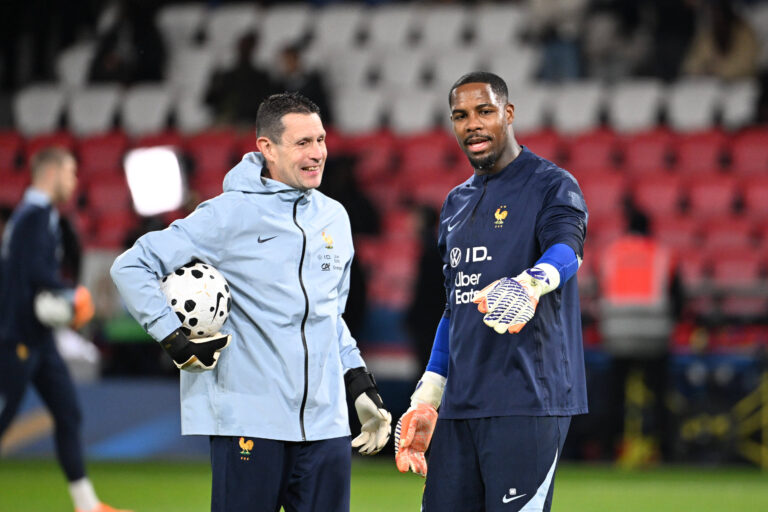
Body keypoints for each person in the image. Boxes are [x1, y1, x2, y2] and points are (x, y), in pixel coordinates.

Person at [110, 92, 391, 512]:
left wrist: (359, 384)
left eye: (321, 140)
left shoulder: (335, 217)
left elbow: (331, 316)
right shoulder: (226, 215)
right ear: (267, 148)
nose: (317, 154)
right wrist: (174, 340)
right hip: (250, 421)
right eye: (303, 143)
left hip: (327, 425)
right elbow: (131, 267)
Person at [394, 72, 589, 512]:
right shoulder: (455, 203)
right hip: (461, 404)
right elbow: (455, 306)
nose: (472, 124)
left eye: (484, 111)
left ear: (509, 113)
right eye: (460, 116)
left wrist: (529, 283)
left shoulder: (551, 184)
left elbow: (568, 251)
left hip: (528, 401)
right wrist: (428, 396)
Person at [0, 148, 129, 512]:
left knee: (68, 413)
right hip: (17, 339)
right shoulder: (32, 218)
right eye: (71, 173)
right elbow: (33, 275)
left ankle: (86, 505)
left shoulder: (36, 217)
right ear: (52, 172)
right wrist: (74, 296)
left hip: (38, 339)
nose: (74, 182)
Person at [599, 202, 681, 465]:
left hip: (617, 336)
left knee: (615, 398)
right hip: (655, 337)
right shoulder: (662, 254)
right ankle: (665, 452)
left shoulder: (612, 253)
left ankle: (609, 451)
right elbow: (678, 298)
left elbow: (601, 291)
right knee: (658, 397)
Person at [204, 32, 277, 128]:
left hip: (249, 123)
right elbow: (210, 101)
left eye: (248, 47)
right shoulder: (226, 75)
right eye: (242, 46)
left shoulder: (261, 77)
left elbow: (266, 104)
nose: (244, 50)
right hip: (226, 122)